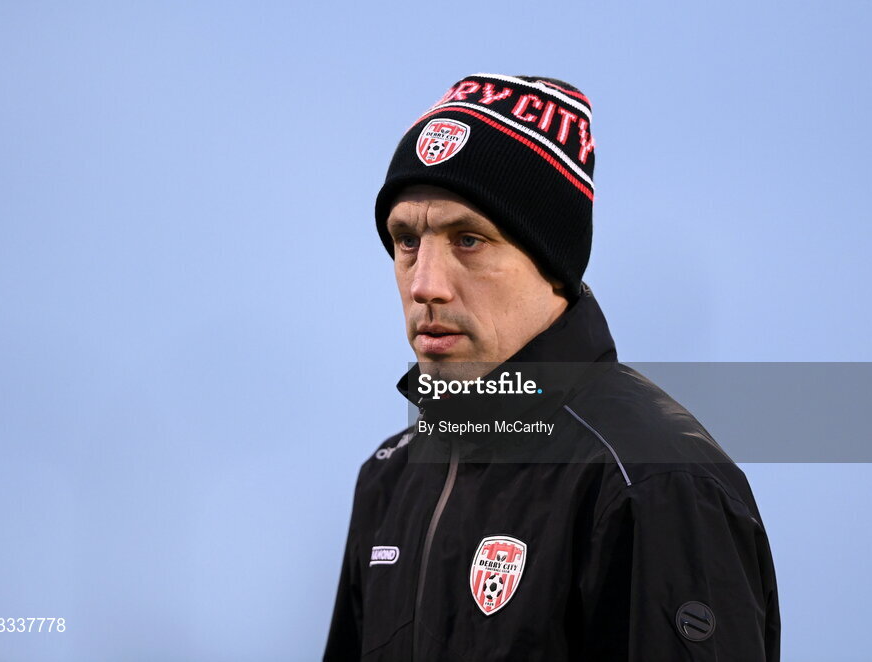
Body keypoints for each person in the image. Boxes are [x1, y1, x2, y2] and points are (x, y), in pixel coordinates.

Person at [324, 73, 780, 661]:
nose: (425, 285)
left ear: (553, 263)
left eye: (468, 239)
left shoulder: (655, 483)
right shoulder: (389, 479)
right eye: (406, 240)